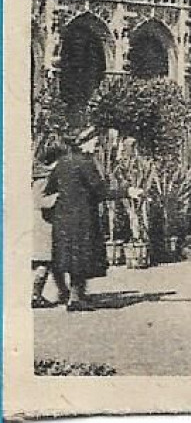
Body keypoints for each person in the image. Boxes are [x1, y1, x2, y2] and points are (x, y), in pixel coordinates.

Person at [45, 127, 131, 310]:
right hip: (83, 218)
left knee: (68, 255)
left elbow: (50, 188)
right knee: (81, 256)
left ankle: (74, 295)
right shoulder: (85, 163)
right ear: (85, 143)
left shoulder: (63, 162)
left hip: (62, 217)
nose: (97, 145)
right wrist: (126, 192)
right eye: (94, 142)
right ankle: (75, 299)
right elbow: (101, 192)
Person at [32, 133, 69, 308]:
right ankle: (35, 294)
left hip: (50, 224)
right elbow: (39, 201)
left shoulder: (48, 177)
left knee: (54, 261)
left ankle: (63, 291)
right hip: (44, 225)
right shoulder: (43, 179)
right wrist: (59, 197)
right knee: (45, 261)